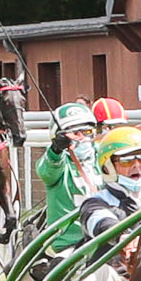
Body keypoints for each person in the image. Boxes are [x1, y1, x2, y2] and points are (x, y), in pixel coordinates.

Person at [55, 127, 141, 281]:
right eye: (127, 161)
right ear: (108, 167)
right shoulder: (96, 202)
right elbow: (100, 222)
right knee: (103, 273)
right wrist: (123, 238)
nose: (136, 166)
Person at [38, 101, 102, 254]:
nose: (81, 137)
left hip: (108, 238)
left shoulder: (104, 156)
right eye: (74, 133)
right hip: (70, 245)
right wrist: (56, 150)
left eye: (86, 132)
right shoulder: (58, 162)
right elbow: (47, 172)